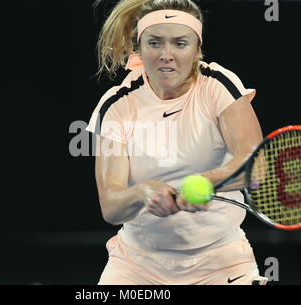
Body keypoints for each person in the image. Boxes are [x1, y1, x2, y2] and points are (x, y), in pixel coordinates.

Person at [86, 0, 268, 285]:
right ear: (140, 47)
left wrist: (207, 181)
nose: (166, 55)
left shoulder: (218, 85)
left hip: (222, 262)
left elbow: (255, 166)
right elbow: (111, 205)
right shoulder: (117, 105)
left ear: (197, 51)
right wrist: (144, 192)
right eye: (155, 43)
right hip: (137, 266)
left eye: (180, 44)